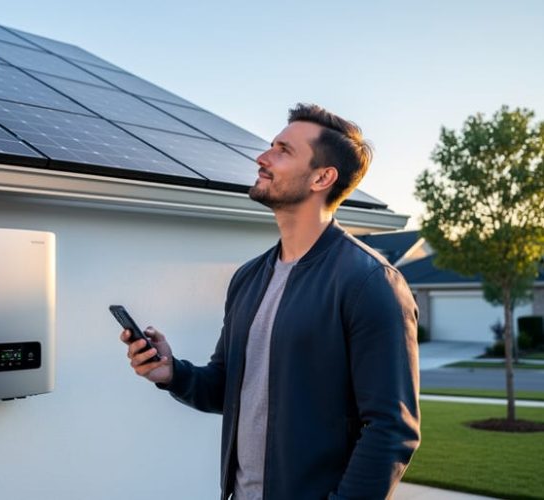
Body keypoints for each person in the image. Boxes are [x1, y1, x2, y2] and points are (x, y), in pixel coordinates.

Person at [120, 103, 420, 500]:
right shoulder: (249, 277)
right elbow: (226, 385)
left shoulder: (370, 282)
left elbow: (391, 428)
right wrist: (172, 372)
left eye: (283, 150)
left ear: (322, 177)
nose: (262, 159)